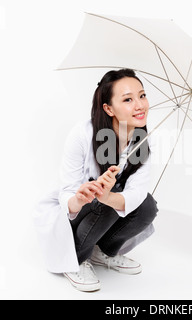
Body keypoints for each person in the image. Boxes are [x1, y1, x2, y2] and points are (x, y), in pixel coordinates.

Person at [35, 69, 158, 292]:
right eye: (128, 99)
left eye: (142, 95)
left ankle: (103, 252)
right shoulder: (83, 134)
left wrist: (109, 196)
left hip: (101, 211)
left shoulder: (142, 142)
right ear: (108, 108)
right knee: (104, 203)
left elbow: (137, 193)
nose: (140, 105)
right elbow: (66, 193)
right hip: (72, 215)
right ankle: (77, 260)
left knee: (147, 207)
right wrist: (81, 198)